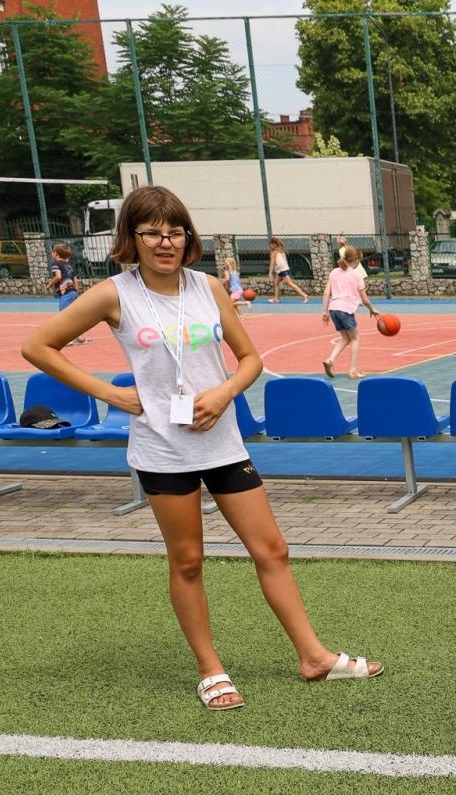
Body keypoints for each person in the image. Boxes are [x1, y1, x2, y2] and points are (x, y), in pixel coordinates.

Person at [19, 185, 384, 711]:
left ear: (187, 236)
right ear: (132, 237)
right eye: (152, 233)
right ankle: (210, 669)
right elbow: (37, 346)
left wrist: (223, 393)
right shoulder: (112, 294)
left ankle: (313, 657)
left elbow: (250, 359)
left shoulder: (208, 286)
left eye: (175, 232)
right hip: (163, 449)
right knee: (188, 560)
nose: (165, 242)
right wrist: (112, 394)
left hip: (223, 441)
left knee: (271, 549)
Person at [321, 244, 378, 379]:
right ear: (357, 260)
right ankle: (353, 370)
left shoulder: (334, 272)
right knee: (355, 338)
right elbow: (364, 300)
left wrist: (324, 312)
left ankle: (330, 360)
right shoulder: (356, 276)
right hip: (345, 310)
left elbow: (326, 292)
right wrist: (372, 309)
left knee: (345, 338)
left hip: (333, 309)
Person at [46, 243, 89, 346]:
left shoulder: (56, 264)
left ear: (55, 254)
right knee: (73, 317)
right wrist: (76, 293)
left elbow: (58, 277)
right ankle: (77, 338)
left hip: (65, 294)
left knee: (63, 317)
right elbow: (75, 280)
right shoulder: (69, 266)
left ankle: (67, 339)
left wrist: (49, 284)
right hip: (73, 292)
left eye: (52, 252)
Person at [268, 237, 309, 304]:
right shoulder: (281, 250)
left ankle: (304, 295)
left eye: (270, 244)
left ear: (274, 244)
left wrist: (270, 273)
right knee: (276, 283)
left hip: (282, 269)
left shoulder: (274, 252)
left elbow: (272, 263)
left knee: (290, 283)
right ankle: (276, 299)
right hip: (283, 269)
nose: (270, 246)